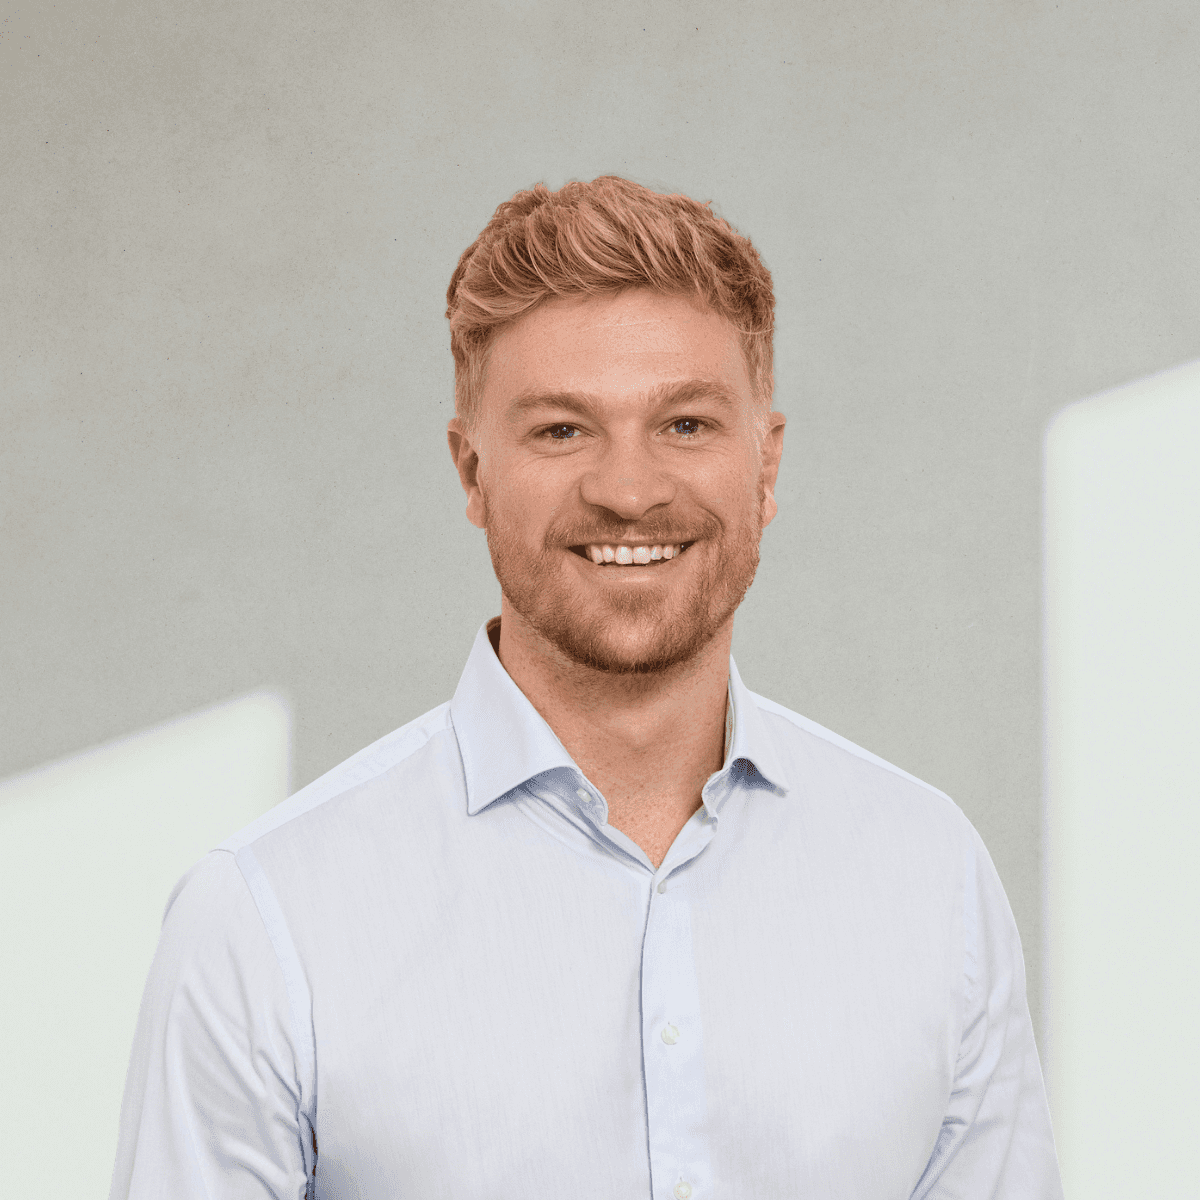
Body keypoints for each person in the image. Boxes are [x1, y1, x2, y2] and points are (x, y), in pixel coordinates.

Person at [110, 176, 1063, 1199]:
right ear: (471, 471)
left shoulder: (929, 878)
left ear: (767, 464)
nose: (628, 488)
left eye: (687, 425)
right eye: (563, 431)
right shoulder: (263, 921)